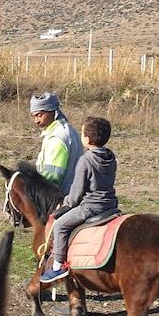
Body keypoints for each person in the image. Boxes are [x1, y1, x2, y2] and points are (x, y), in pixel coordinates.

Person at [40, 115, 119, 284]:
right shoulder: (110, 157)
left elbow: (76, 196)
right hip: (110, 205)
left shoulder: (86, 160)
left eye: (82, 134)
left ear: (87, 139)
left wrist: (64, 206)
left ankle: (58, 266)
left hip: (90, 207)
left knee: (60, 225)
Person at [29, 92, 83, 195]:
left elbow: (52, 177)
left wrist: (33, 192)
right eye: (34, 116)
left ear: (52, 112)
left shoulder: (57, 137)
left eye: (39, 115)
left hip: (62, 198)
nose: (36, 121)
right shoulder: (68, 129)